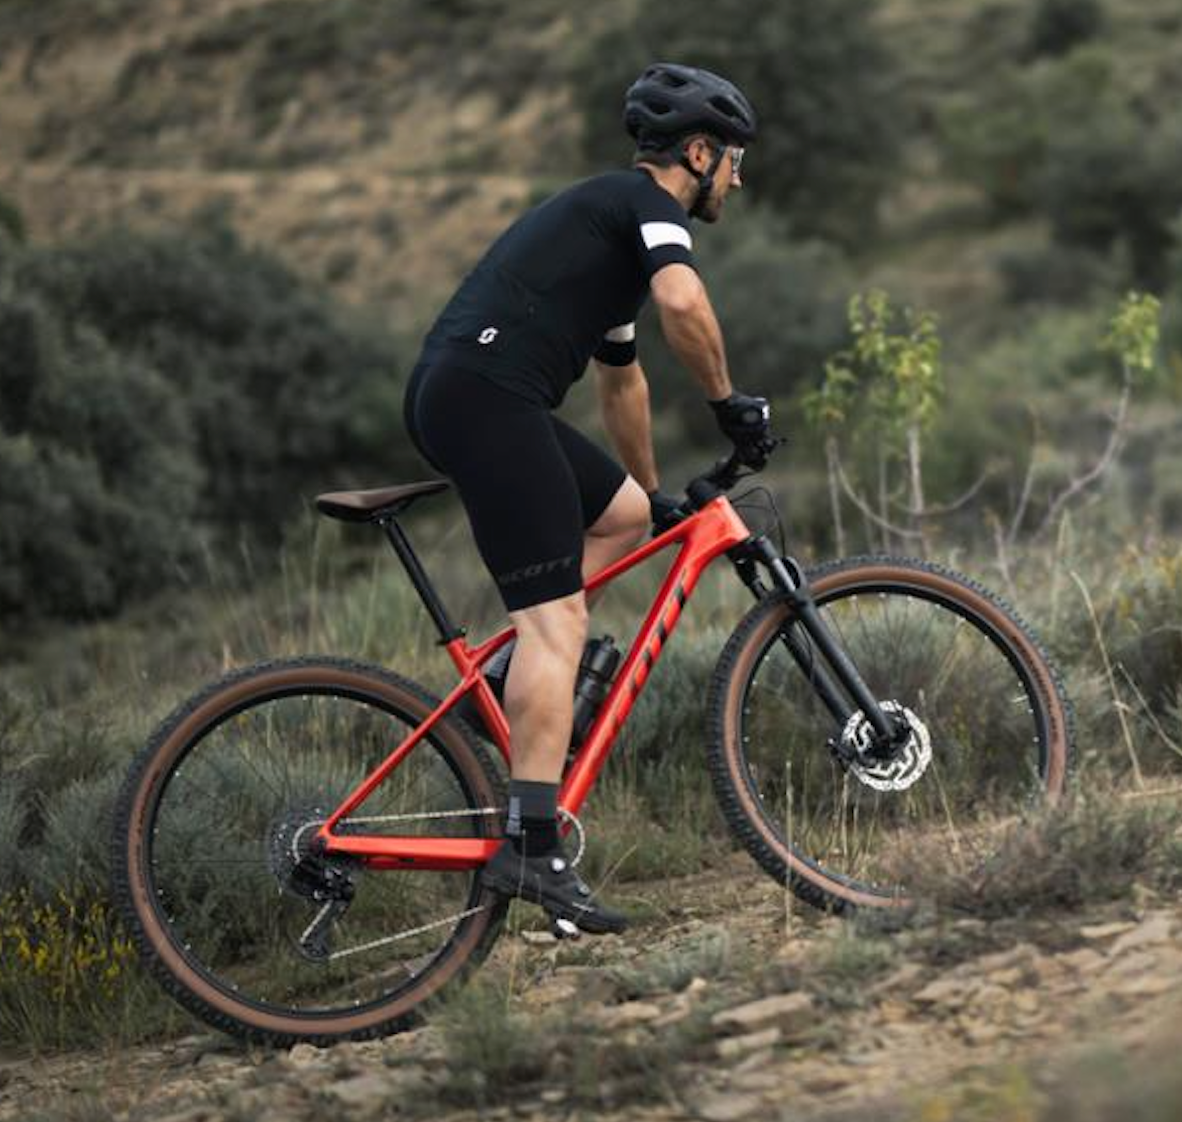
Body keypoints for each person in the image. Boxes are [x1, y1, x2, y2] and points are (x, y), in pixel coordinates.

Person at [402, 62, 773, 934]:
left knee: (622, 521)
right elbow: (685, 301)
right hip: (486, 396)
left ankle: (513, 680)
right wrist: (729, 405)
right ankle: (532, 843)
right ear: (698, 152)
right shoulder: (644, 207)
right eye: (734, 160)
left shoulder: (607, 237)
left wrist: (650, 493)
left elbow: (622, 382)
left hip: (469, 390)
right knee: (556, 621)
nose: (740, 178)